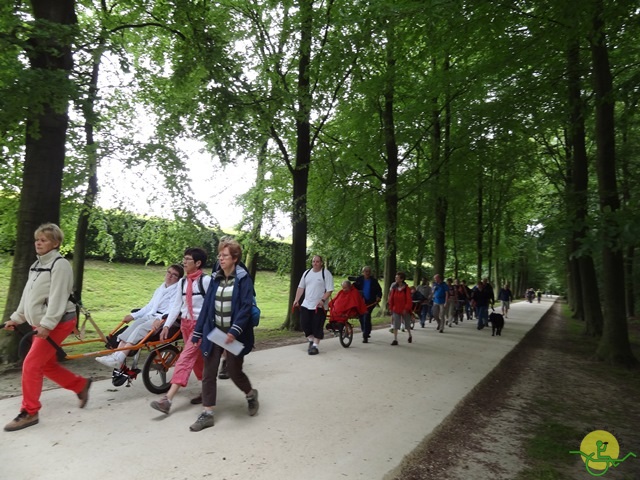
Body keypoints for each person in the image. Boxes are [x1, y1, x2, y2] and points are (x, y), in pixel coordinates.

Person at [3, 223, 92, 432]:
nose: (38, 243)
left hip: (57, 323)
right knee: (45, 364)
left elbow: (58, 298)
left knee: (31, 365)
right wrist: (16, 318)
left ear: (56, 243)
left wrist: (47, 324)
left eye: (43, 240)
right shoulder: (36, 265)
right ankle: (80, 385)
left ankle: (30, 411)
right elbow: (28, 296)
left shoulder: (60, 265)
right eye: (37, 239)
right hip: (42, 323)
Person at [189, 238, 259, 431]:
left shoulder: (243, 279)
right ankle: (208, 413)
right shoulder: (215, 278)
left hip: (234, 335)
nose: (221, 258)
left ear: (235, 258)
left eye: (225, 255)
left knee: (235, 372)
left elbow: (245, 307)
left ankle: (250, 393)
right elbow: (207, 307)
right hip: (215, 332)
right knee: (209, 372)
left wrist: (234, 331)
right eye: (220, 255)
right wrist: (197, 333)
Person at [150, 248, 210, 414]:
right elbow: (177, 306)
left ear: (198, 263)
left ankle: (167, 399)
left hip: (200, 326)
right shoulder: (183, 283)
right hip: (185, 324)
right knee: (197, 360)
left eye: (188, 259)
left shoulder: (206, 281)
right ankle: (207, 391)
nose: (184, 262)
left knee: (184, 358)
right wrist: (167, 325)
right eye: (184, 258)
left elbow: (212, 305)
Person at [95, 264, 184, 368]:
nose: (170, 276)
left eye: (174, 275)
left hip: (162, 319)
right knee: (134, 325)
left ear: (178, 279)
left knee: (141, 328)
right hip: (151, 314)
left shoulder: (177, 291)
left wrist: (160, 319)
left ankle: (120, 358)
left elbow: (173, 310)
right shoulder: (161, 288)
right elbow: (149, 306)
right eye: (169, 272)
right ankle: (115, 355)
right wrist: (133, 315)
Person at [293, 255, 334, 355]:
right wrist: (296, 300)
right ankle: (311, 340)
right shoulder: (307, 273)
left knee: (317, 326)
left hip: (319, 306)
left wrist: (323, 300)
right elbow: (300, 287)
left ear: (321, 263)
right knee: (304, 324)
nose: (315, 263)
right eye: (313, 261)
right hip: (306, 304)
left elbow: (329, 290)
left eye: (317, 261)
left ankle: (315, 346)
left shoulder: (326, 274)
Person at [352, 266, 382, 343]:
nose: (367, 273)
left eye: (368, 271)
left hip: (370, 302)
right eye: (366, 271)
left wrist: (378, 296)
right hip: (361, 302)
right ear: (363, 272)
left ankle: (365, 335)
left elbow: (379, 290)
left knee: (366, 315)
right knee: (361, 317)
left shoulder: (374, 281)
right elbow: (354, 286)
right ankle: (366, 330)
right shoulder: (360, 280)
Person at [388, 272, 413, 345]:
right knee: (396, 324)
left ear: (401, 279)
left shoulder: (406, 289)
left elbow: (408, 300)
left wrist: (406, 308)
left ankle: (409, 335)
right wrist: (391, 307)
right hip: (396, 309)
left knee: (407, 324)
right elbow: (391, 298)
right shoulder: (394, 288)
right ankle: (395, 339)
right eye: (395, 277)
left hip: (404, 309)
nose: (396, 278)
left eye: (397, 277)